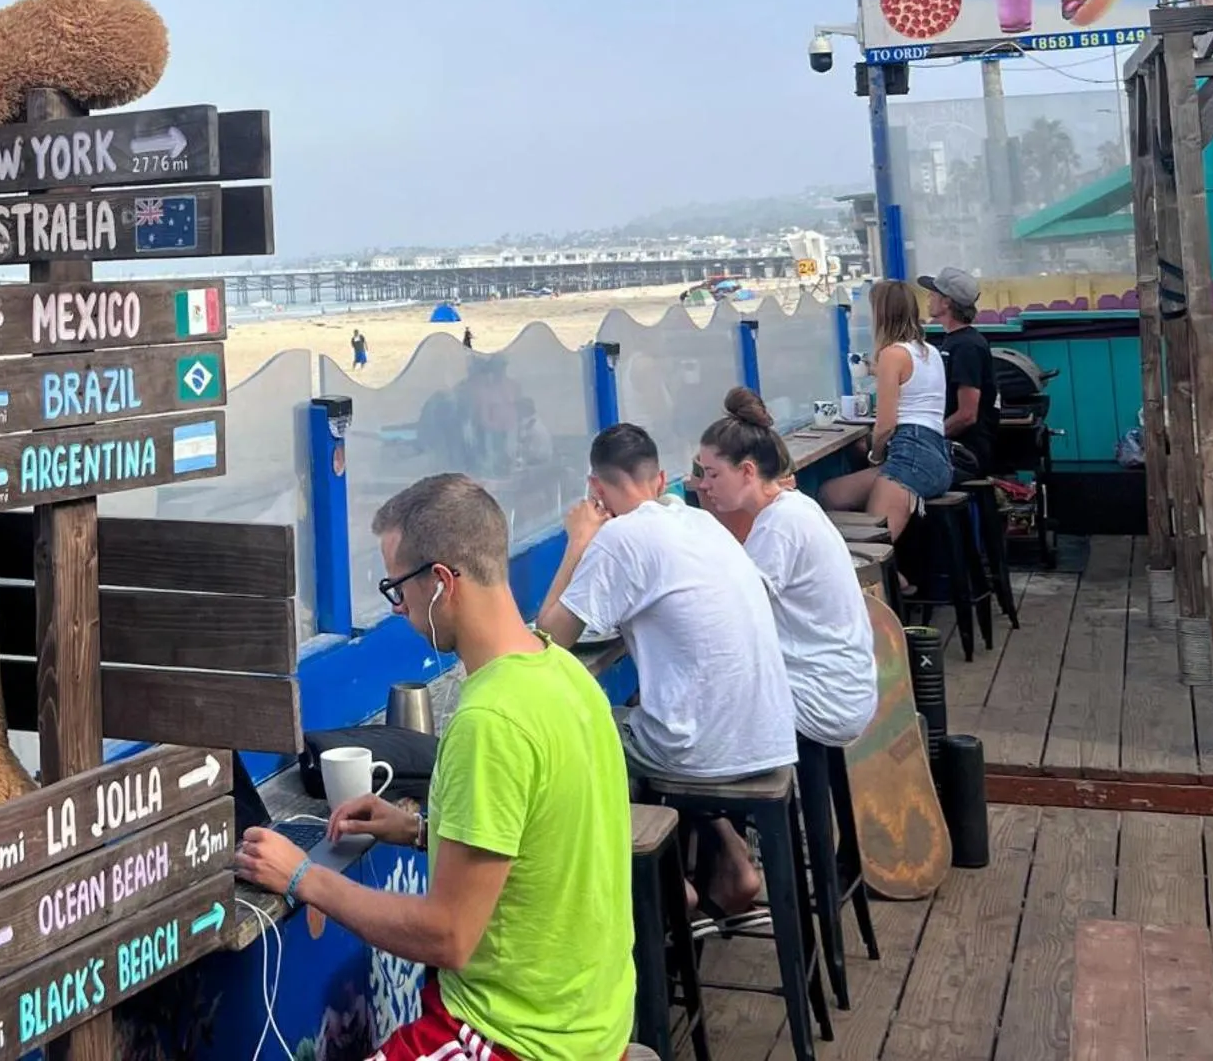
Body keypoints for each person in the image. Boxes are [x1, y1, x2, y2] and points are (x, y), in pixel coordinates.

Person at [235, 474, 635, 1061]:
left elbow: (447, 935)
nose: (399, 610)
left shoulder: (491, 720)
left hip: (515, 1038)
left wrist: (304, 877)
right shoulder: (561, 671)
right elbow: (543, 841)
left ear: (442, 583)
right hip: (594, 1017)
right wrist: (419, 829)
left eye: (398, 590)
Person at [536, 423, 796, 921]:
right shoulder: (697, 522)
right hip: (769, 737)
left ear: (596, 490)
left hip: (702, 754)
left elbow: (551, 636)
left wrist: (578, 541)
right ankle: (734, 859)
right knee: (659, 711)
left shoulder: (619, 536)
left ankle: (666, 883)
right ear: (660, 482)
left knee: (584, 729)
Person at [695, 388, 878, 748]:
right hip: (843, 687)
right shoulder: (792, 507)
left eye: (712, 474)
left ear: (747, 471)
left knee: (689, 715)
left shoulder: (780, 526)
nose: (703, 485)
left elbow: (730, 619)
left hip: (821, 702)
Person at [816, 278, 953, 540]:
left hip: (910, 457)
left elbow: (886, 425)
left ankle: (895, 579)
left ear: (882, 315)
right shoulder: (930, 352)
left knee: (874, 547)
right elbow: (910, 381)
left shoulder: (892, 354)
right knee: (831, 495)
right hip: (937, 458)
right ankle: (898, 575)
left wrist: (874, 456)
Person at [921, 267, 1001, 479]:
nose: (928, 297)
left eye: (933, 293)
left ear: (946, 302)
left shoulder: (967, 347)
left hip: (965, 454)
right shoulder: (955, 342)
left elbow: (967, 415)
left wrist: (927, 438)